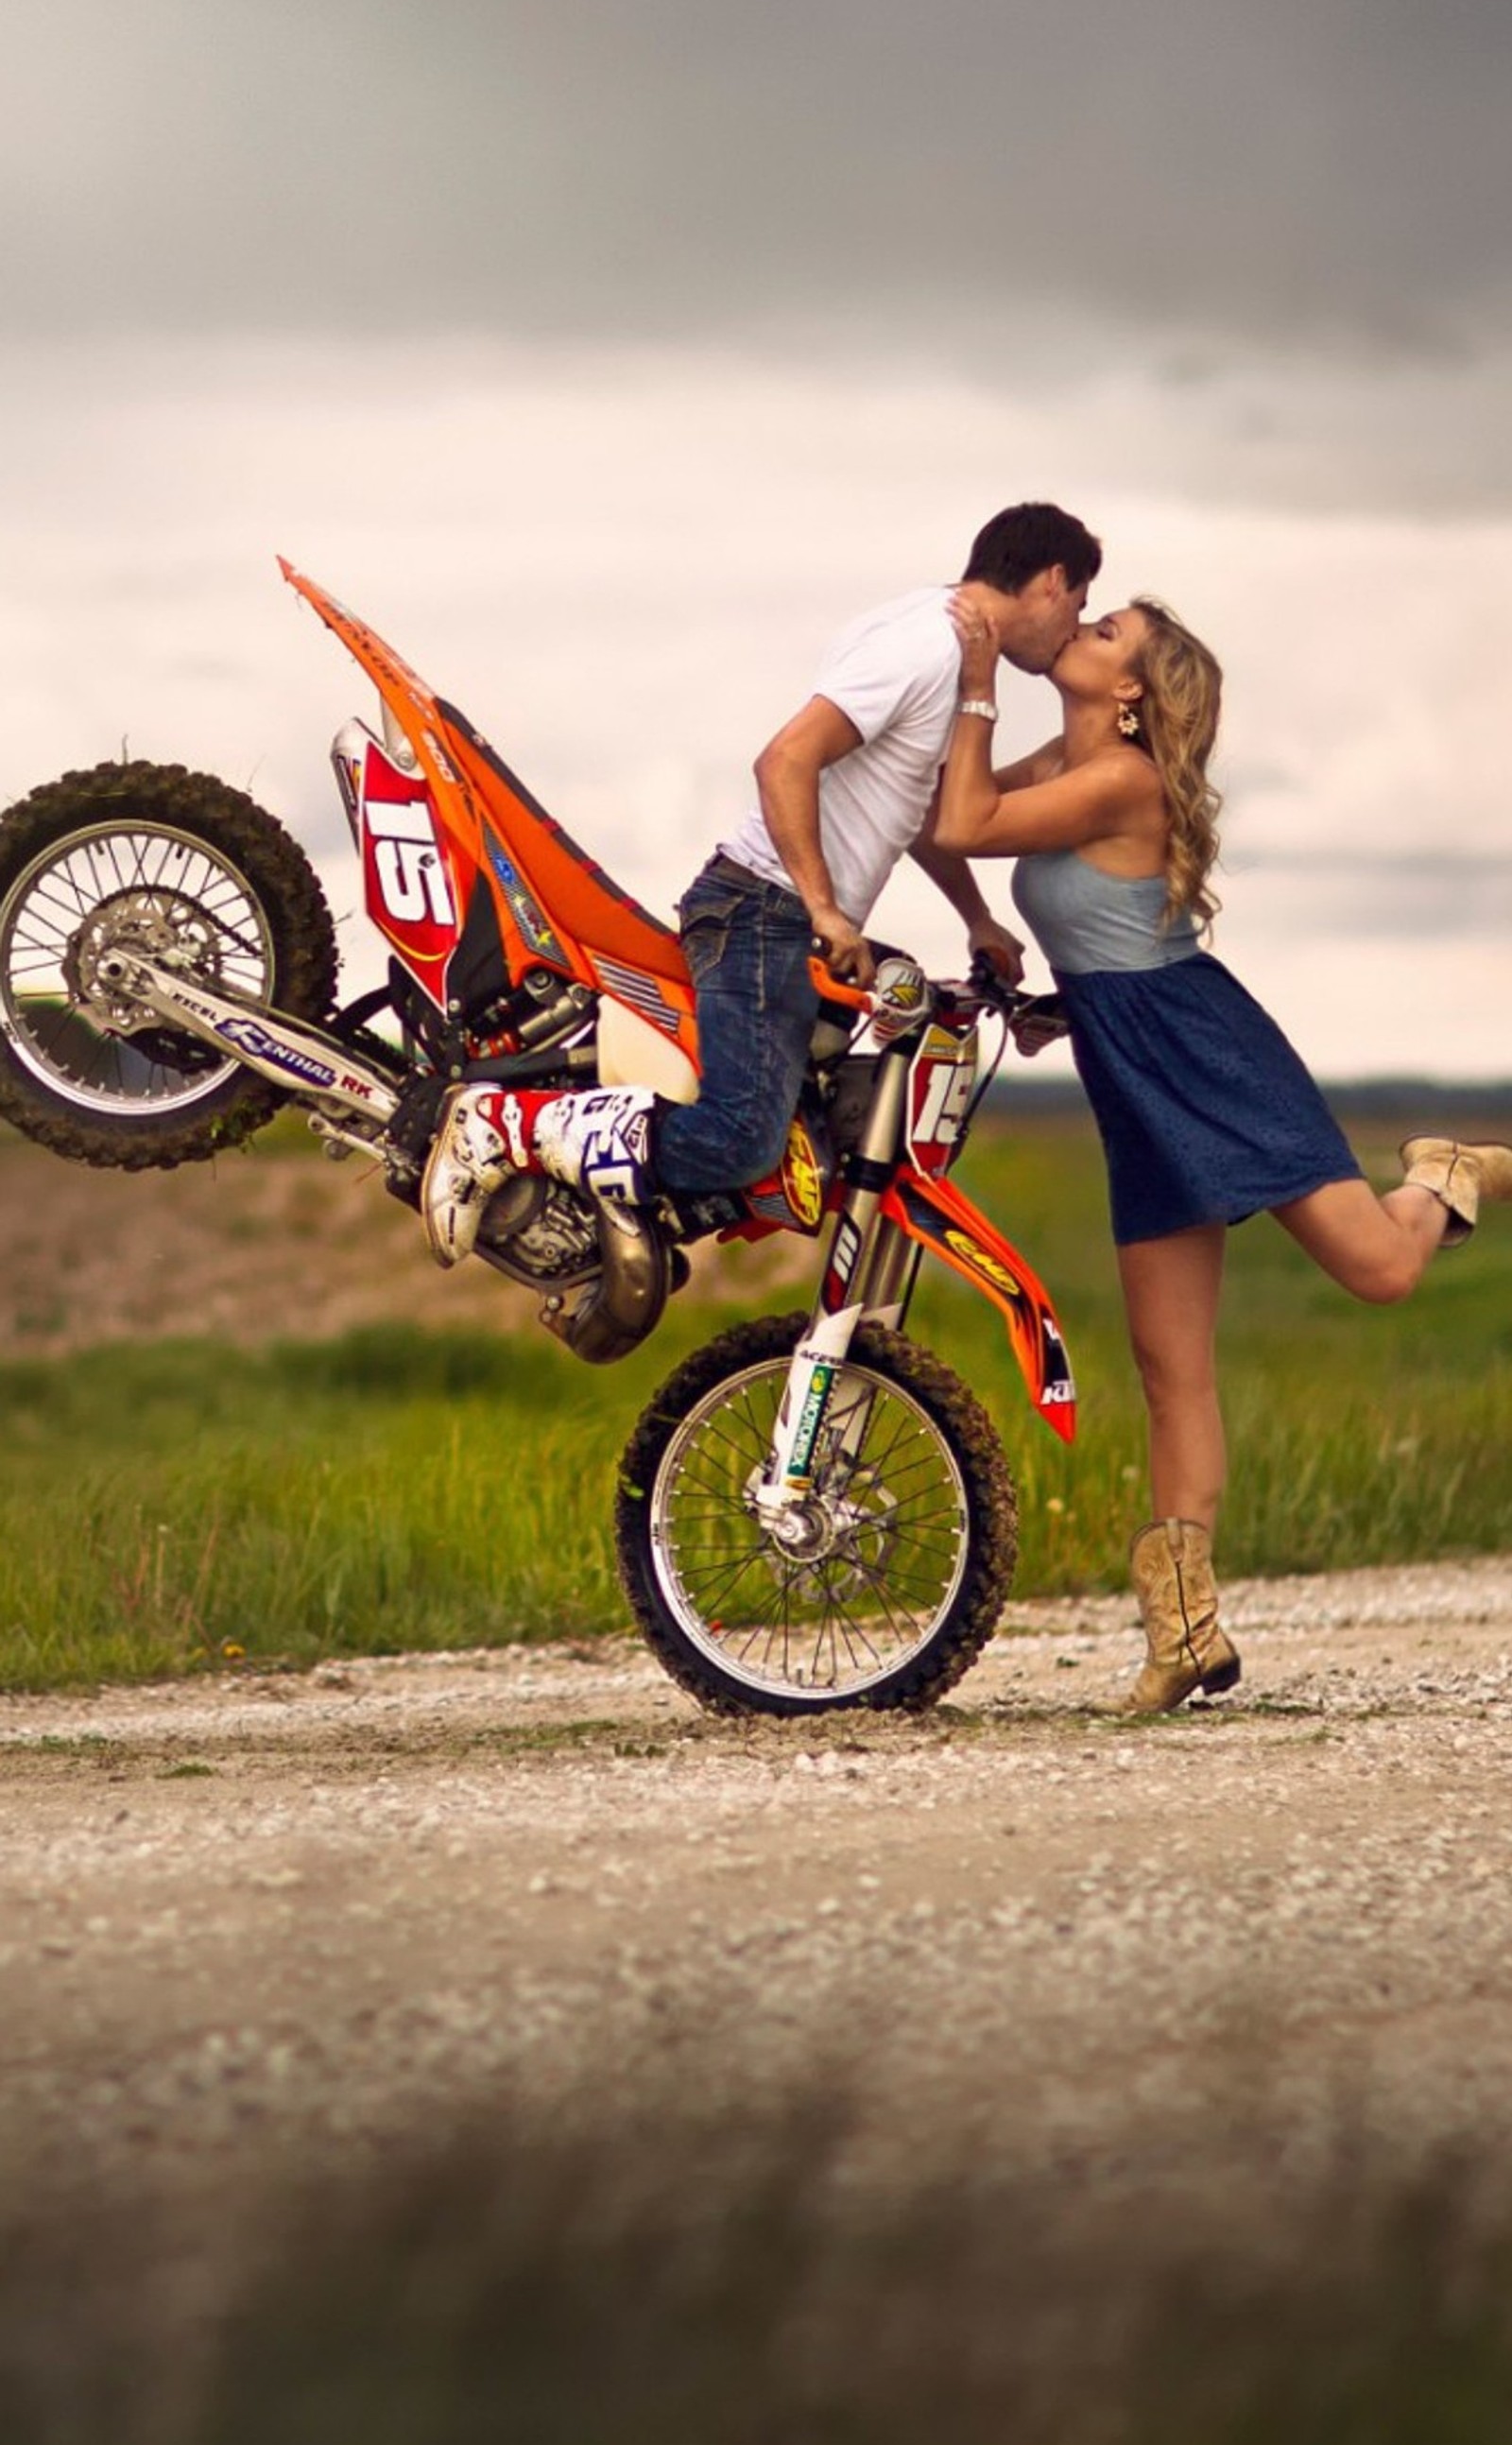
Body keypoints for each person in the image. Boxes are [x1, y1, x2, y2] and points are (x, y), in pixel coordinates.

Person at [935, 592, 1512, 1716]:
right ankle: (1185, 1633)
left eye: (1108, 634)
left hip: (1203, 1050)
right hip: (1128, 1065)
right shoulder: (1069, 756)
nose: (1086, 631)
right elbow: (939, 809)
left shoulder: (1123, 780)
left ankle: (1442, 1171)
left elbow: (963, 819)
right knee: (1166, 1364)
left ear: (1134, 690)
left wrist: (971, 680)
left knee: (1381, 1273)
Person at [421, 501, 1103, 1263]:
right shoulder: (927, 648)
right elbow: (784, 760)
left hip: (780, 910)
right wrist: (823, 909)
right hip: (764, 908)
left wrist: (977, 919)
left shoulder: (938, 643)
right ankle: (503, 1128)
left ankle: (622, 1219)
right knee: (745, 1137)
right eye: (1080, 605)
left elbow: (913, 809)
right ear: (1051, 580)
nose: (1076, 627)